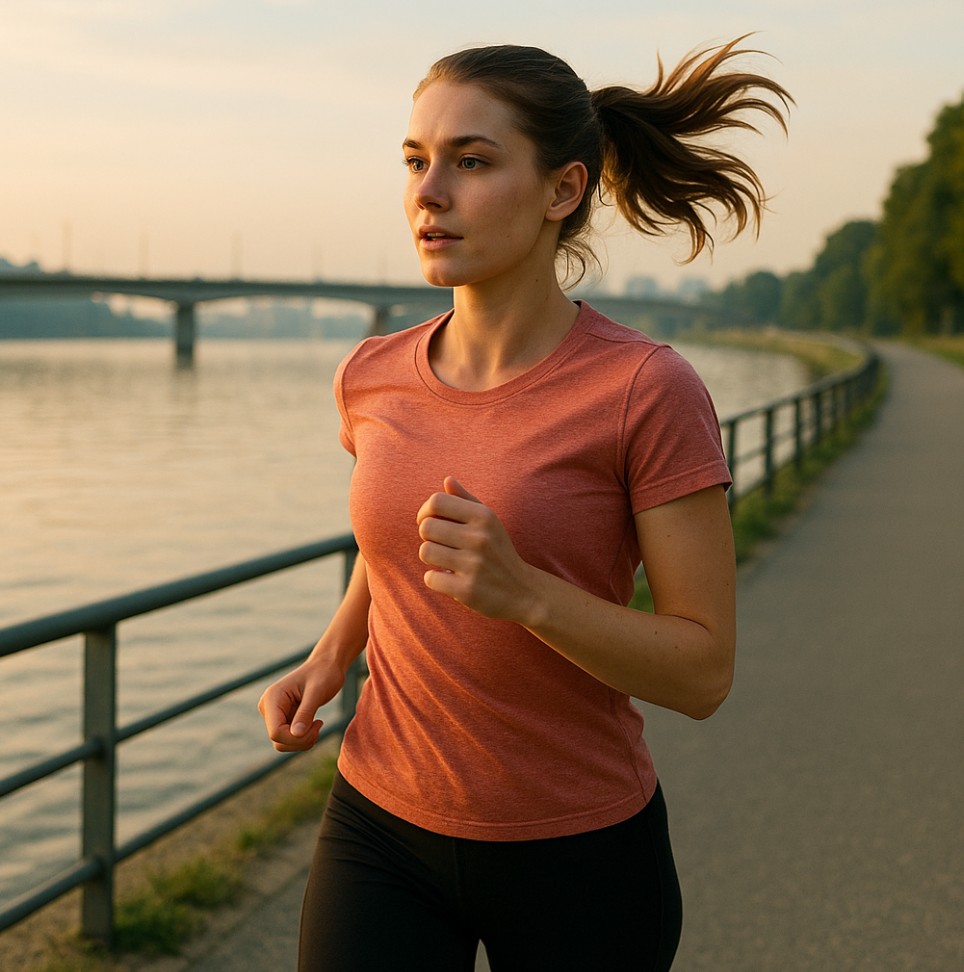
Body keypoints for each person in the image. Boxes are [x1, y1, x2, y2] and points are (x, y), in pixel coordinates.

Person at [260, 37, 791, 972]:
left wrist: (526, 594)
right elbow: (402, 553)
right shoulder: (371, 376)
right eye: (416, 162)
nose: (430, 192)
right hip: (381, 820)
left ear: (562, 190)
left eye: (471, 162)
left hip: (580, 851)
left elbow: (704, 672)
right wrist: (331, 653)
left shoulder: (645, 389)